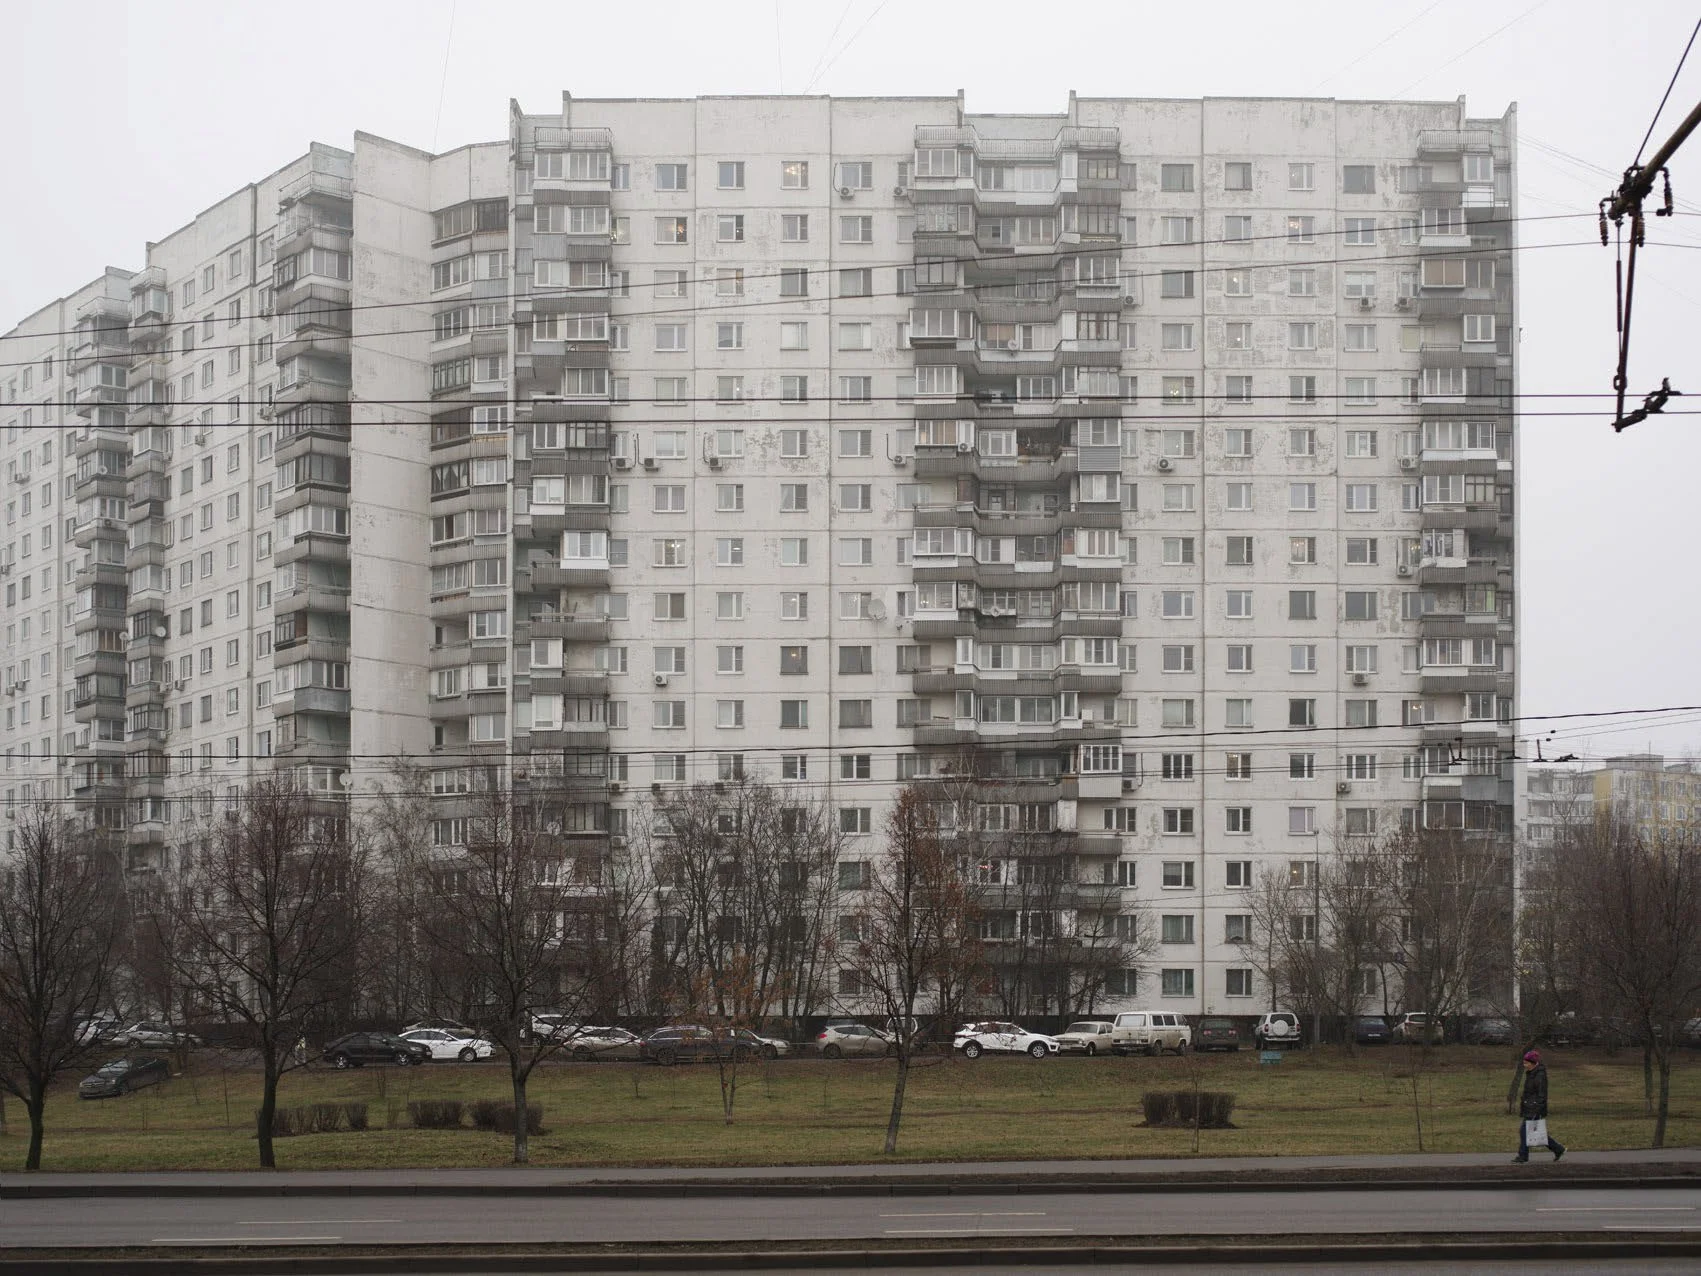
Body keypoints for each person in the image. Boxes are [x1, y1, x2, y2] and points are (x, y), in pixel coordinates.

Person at [1513, 1048, 1566, 1163]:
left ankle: (1523, 1156)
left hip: (1535, 1108)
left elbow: (1542, 1094)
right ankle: (1558, 1149)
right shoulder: (1532, 1074)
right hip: (1530, 1107)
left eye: (1526, 1063)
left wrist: (1537, 1108)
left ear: (1533, 1063)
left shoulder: (1539, 1076)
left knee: (1525, 1131)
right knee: (1534, 1132)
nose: (1524, 1065)